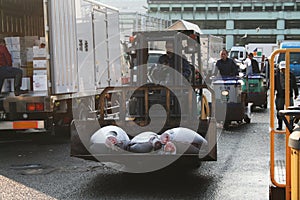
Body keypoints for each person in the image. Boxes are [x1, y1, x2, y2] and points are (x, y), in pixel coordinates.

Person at [275, 61, 298, 130]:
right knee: (279, 110)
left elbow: (294, 84)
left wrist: (296, 93)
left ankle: (290, 125)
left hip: (289, 94)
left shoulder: (291, 75)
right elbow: (273, 85)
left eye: (284, 68)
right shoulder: (276, 76)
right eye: (282, 69)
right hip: (280, 94)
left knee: (290, 110)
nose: (283, 70)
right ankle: (280, 125)